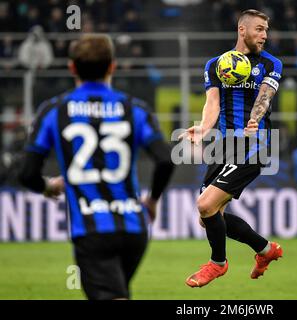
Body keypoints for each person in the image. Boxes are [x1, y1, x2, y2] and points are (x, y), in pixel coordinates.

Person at [18, 34, 174, 300]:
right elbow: (166, 159)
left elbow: (26, 174)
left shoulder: (54, 111)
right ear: (112, 66)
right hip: (133, 229)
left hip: (92, 230)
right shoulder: (135, 109)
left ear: (71, 67)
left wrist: (48, 186)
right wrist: (153, 200)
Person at [179, 9, 283, 288]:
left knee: (205, 204)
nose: (264, 35)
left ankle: (217, 264)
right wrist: (202, 127)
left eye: (266, 30)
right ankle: (265, 250)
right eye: (259, 29)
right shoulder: (217, 64)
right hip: (224, 147)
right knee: (209, 218)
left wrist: (254, 119)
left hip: (254, 145)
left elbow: (265, 96)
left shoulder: (271, 63)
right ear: (242, 30)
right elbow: (213, 103)